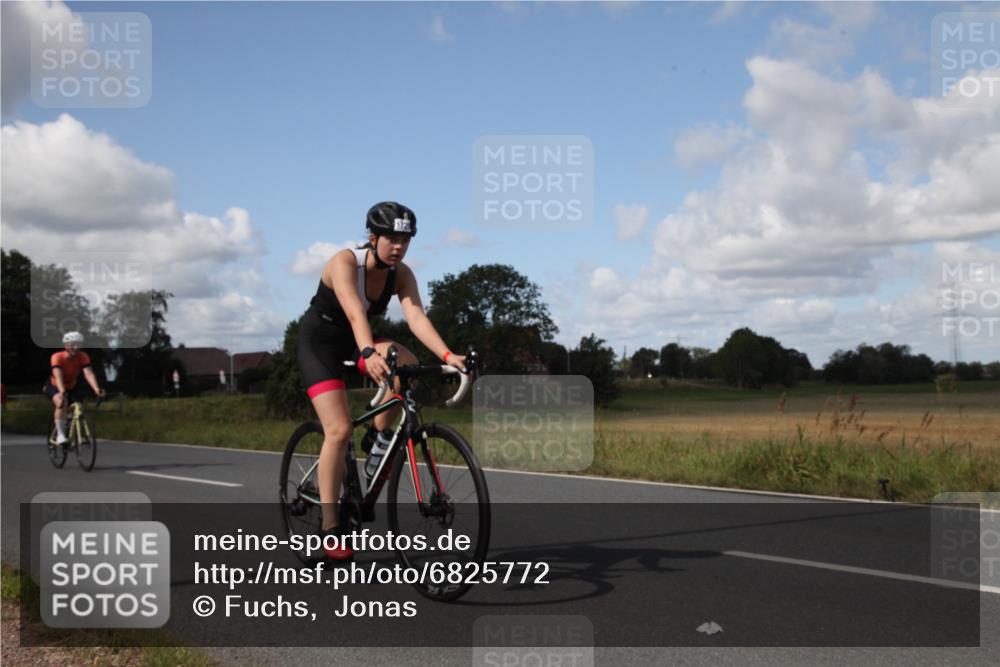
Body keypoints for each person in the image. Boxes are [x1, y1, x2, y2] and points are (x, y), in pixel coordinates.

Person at [297, 201, 466, 562]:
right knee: (339, 431)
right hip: (321, 343)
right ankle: (331, 527)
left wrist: (449, 356)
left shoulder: (400, 273)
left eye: (406, 239)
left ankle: (379, 436)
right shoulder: (344, 263)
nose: (399, 247)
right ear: (372, 237)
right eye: (392, 238)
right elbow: (356, 313)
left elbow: (416, 316)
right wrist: (368, 353)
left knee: (408, 365)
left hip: (362, 340)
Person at [45, 331, 105, 445]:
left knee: (78, 408)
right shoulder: (57, 356)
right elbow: (58, 375)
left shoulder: (83, 356)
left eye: (79, 344)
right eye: (73, 344)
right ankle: (60, 435)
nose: (76, 347)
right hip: (54, 385)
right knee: (62, 402)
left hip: (72, 385)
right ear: (66, 345)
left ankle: (73, 435)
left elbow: (88, 373)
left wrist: (96, 389)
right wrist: (62, 391)